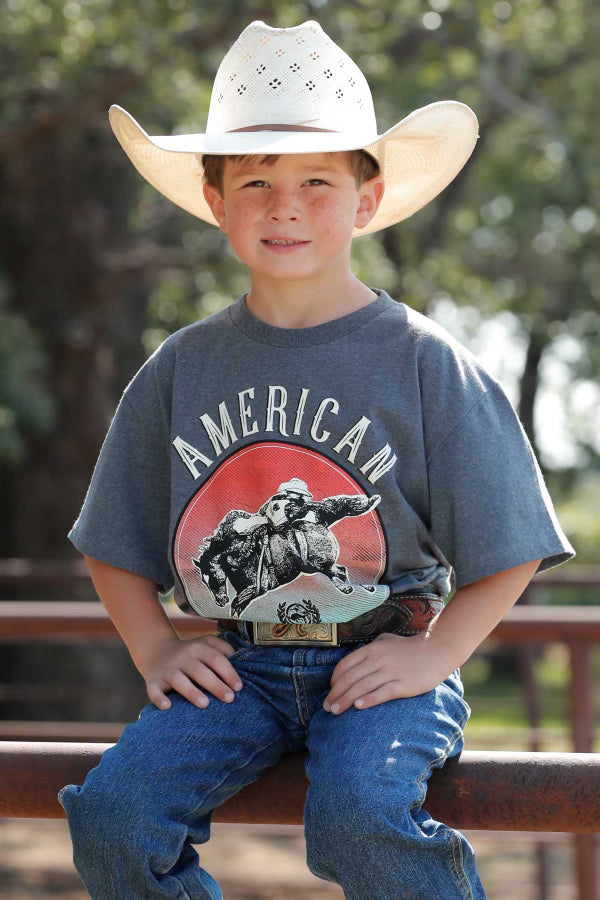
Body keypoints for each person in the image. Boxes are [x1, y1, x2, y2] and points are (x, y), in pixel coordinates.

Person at [58, 19, 574, 900]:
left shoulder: (424, 361)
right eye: (254, 181)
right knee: (114, 813)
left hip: (385, 656)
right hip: (242, 666)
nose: (283, 205)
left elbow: (511, 540)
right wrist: (154, 649)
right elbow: (114, 539)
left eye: (315, 181)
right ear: (217, 203)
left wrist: (434, 659)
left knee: (361, 813)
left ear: (367, 200)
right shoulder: (180, 368)